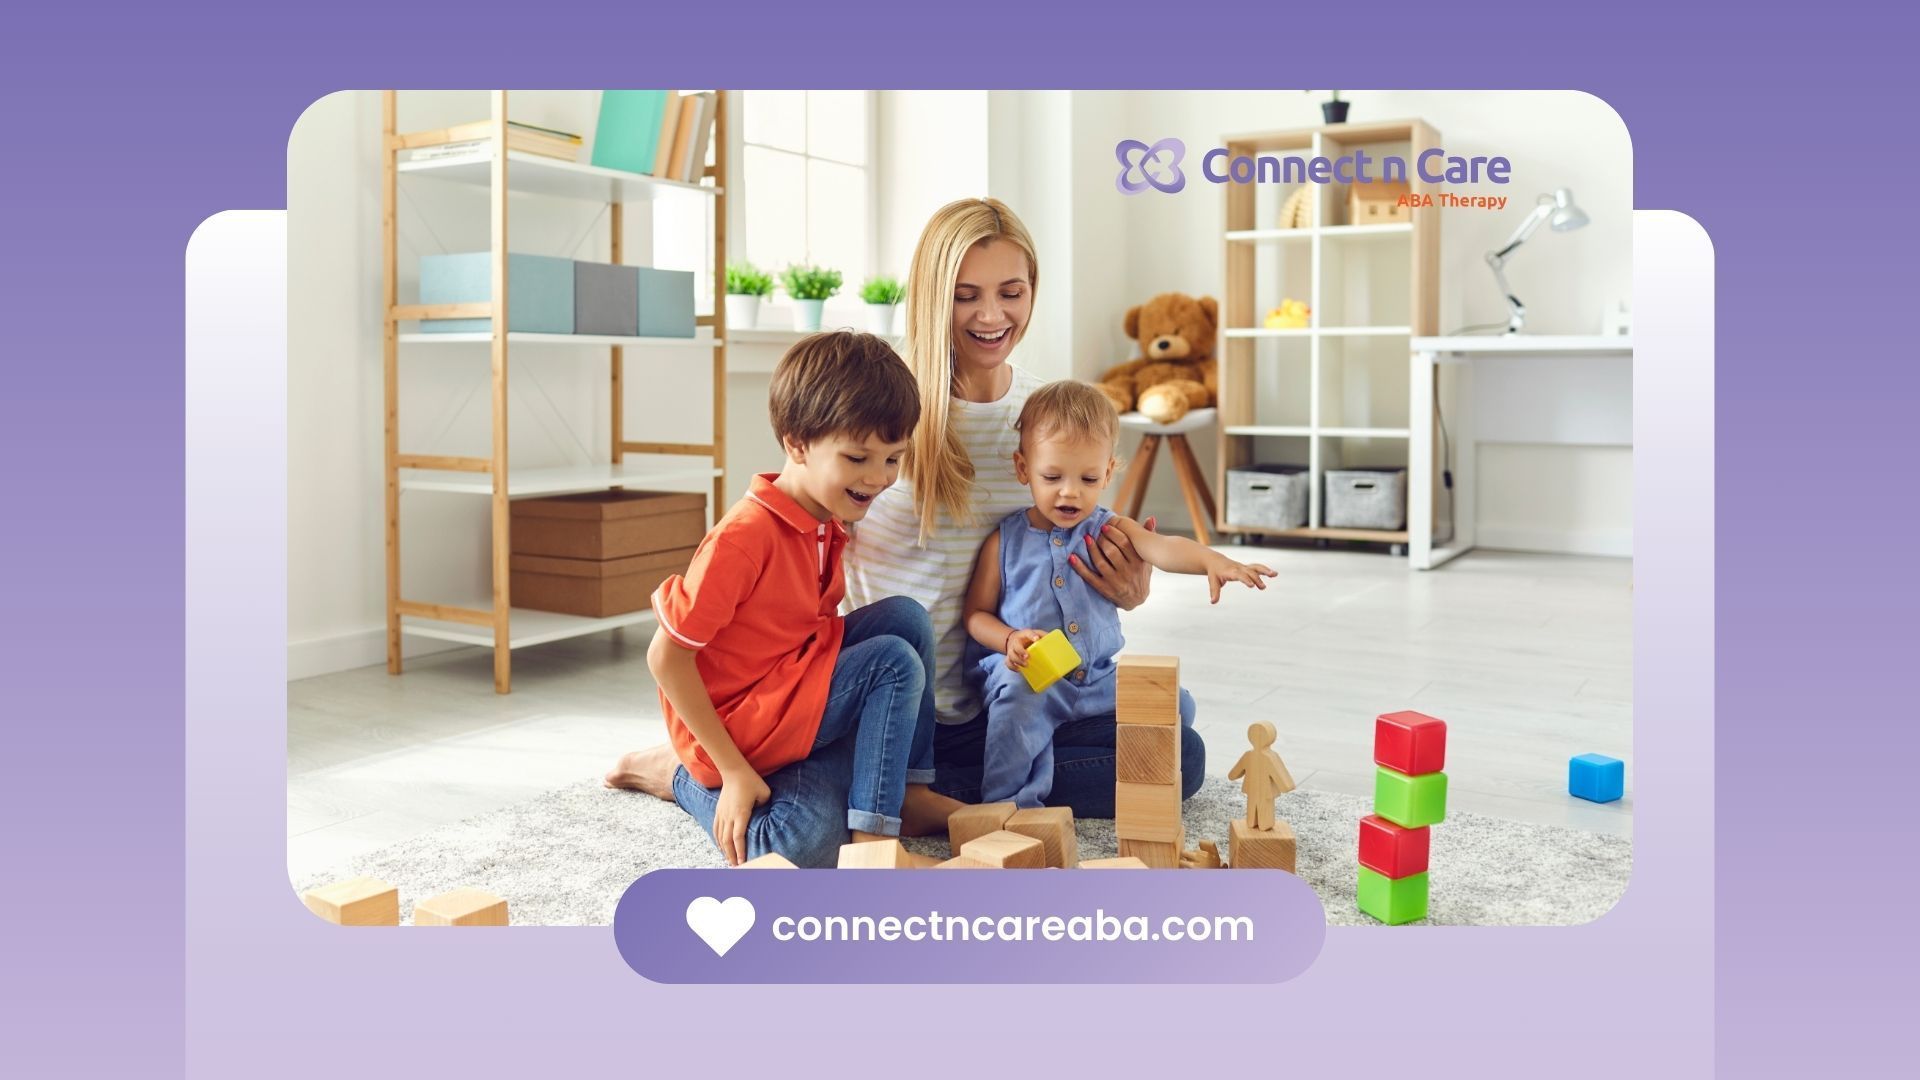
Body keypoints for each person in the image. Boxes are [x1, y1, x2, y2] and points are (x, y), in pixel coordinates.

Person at [842, 197, 1207, 816]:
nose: (991, 315)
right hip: (910, 707)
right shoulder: (884, 404)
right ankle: (906, 787)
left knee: (1181, 748)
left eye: (1011, 292)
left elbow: (1081, 548)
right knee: (1159, 764)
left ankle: (929, 795)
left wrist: (1128, 587)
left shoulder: (1046, 415)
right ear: (933, 295)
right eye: (966, 295)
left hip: (1018, 694)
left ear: (1032, 291)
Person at [608, 332, 962, 867]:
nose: (878, 477)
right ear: (797, 444)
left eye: (893, 459)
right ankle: (684, 778)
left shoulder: (824, 515)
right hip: (738, 725)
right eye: (858, 457)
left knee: (906, 619)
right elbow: (665, 656)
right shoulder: (743, 539)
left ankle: (905, 796)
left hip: (788, 687)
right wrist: (730, 772)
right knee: (798, 845)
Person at [962, 380, 1276, 807]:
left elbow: (1165, 548)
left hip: (1096, 678)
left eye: (1088, 478)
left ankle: (1064, 751)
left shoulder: (1110, 528)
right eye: (1052, 477)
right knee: (1016, 708)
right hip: (1032, 677)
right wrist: (1008, 641)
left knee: (1176, 705)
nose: (1069, 491)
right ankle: (1002, 807)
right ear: (1023, 469)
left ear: (1108, 472)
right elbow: (976, 615)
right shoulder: (1005, 541)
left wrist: (1213, 562)